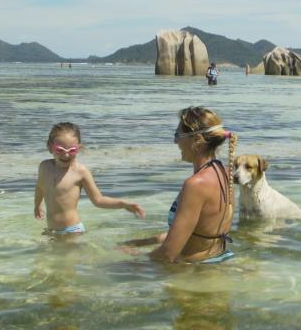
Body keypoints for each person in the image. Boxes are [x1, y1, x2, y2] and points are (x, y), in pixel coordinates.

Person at [148, 107, 237, 264]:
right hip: (218, 262)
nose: (176, 142)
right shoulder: (223, 172)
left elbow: (168, 254)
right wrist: (142, 242)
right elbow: (200, 231)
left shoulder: (195, 185)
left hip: (194, 271)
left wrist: (131, 261)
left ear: (196, 140)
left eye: (178, 135)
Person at [34, 122, 145, 235]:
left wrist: (123, 204)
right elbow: (40, 187)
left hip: (72, 230)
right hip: (52, 230)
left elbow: (99, 200)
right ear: (49, 147)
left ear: (79, 148)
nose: (66, 155)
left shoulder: (80, 172)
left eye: (72, 150)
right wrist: (37, 205)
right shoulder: (44, 167)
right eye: (60, 150)